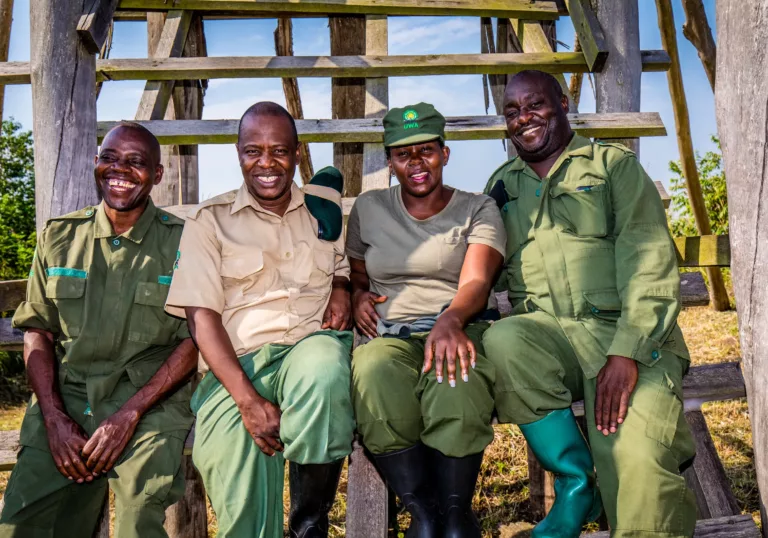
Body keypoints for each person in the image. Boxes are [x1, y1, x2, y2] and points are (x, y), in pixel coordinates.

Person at [482, 70, 697, 538]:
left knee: (637, 461)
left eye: (535, 105)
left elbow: (651, 261)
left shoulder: (610, 166)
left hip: (629, 338)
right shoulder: (501, 188)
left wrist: (628, 351)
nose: (524, 118)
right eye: (513, 112)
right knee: (504, 338)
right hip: (551, 341)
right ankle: (578, 484)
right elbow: (476, 271)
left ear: (562, 103)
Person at [164, 102, 355, 538]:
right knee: (246, 518)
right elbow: (202, 320)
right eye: (253, 151)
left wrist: (341, 287)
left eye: (279, 151)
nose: (266, 163)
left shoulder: (322, 208)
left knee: (324, 368)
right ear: (238, 153)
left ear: (297, 154)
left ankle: (308, 527)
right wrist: (248, 402)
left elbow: (340, 261)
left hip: (307, 352)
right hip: (236, 370)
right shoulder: (209, 222)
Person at [1, 123, 197, 538]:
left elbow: (196, 339)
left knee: (136, 517)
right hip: (68, 398)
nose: (119, 169)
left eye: (135, 162)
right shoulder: (59, 237)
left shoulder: (184, 243)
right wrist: (53, 417)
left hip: (149, 403)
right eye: (109, 158)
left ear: (157, 175)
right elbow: (38, 329)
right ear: (96, 163)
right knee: (20, 523)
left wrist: (131, 412)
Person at [348, 103, 506, 538]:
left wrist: (451, 320)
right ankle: (423, 512)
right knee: (373, 375)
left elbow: (477, 279)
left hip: (459, 327)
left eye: (426, 151)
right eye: (403, 154)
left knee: (455, 383)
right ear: (390, 161)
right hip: (391, 336)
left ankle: (456, 514)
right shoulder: (370, 208)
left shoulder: (478, 208)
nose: (416, 163)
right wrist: (358, 293)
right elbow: (358, 271)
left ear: (445, 153)